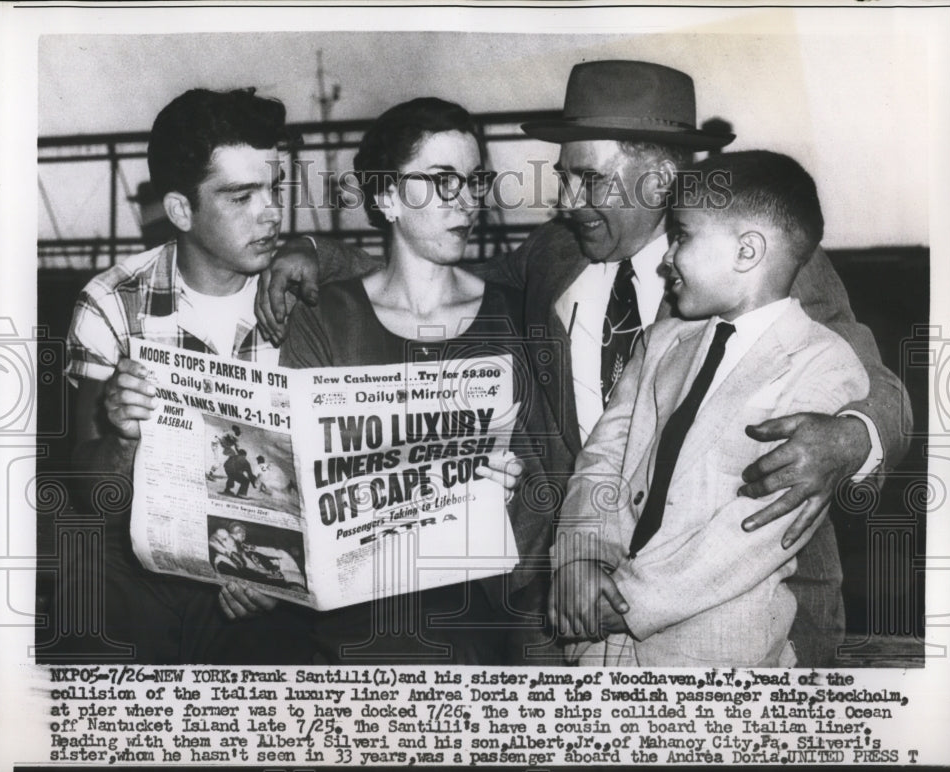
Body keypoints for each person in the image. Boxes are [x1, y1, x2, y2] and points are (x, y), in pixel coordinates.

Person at [256, 60, 913, 665]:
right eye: (563, 175)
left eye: (587, 178)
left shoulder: (762, 264)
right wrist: (318, 253)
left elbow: (877, 384)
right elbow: (429, 266)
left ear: (657, 179)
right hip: (581, 627)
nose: (565, 200)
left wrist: (851, 437)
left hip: (748, 636)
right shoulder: (556, 254)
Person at [552, 151, 868, 665]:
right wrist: (576, 561)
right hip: (598, 648)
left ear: (747, 251)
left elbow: (755, 532)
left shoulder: (823, 364)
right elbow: (600, 459)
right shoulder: (661, 340)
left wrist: (626, 601)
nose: (666, 256)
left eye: (682, 235)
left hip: (717, 658)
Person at [279, 97, 535, 665]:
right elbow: (294, 485)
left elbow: (555, 490)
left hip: (480, 637)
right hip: (345, 642)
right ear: (388, 196)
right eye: (443, 181)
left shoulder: (517, 317)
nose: (467, 201)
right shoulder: (323, 320)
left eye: (475, 182)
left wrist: (516, 486)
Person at [64, 87, 310, 662]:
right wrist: (123, 435)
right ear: (180, 210)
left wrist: (280, 573)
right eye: (241, 196)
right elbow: (91, 491)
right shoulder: (111, 302)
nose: (271, 212)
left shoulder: (305, 295)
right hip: (141, 569)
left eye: (273, 190)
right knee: (92, 575)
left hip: (262, 576)